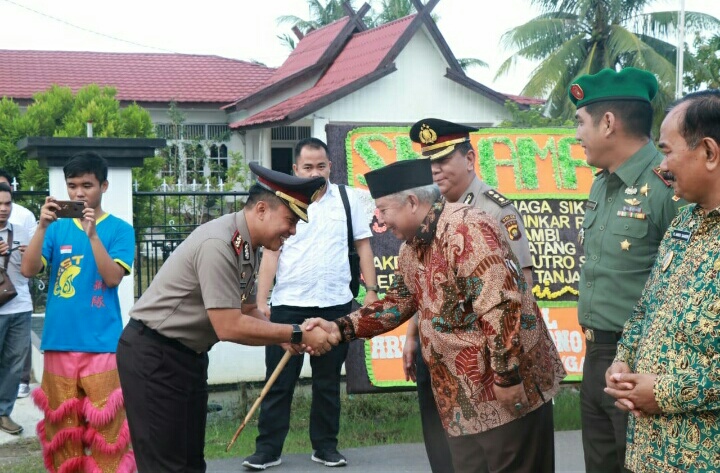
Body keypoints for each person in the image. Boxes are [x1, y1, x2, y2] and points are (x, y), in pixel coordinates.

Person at [308, 158, 566, 473]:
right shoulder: (412, 249)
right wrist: (338, 329)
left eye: (383, 210)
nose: (380, 220)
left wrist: (507, 376)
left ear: (413, 202)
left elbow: (500, 306)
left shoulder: (466, 228)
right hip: (462, 404)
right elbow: (396, 303)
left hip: (505, 393)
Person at [117, 163, 337, 473]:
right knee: (165, 465)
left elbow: (248, 311)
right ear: (262, 209)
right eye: (290, 221)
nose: (292, 231)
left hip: (186, 357)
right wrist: (298, 332)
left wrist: (289, 336)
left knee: (191, 461)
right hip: (155, 355)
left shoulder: (245, 245)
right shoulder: (220, 244)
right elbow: (229, 325)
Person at [570, 67, 686, 473]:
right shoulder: (602, 183)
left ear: (608, 123)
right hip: (597, 355)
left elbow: (689, 280)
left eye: (581, 122)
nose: (577, 134)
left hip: (641, 362)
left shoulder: (669, 185)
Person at [401, 117, 534, 473]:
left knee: (494, 459)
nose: (436, 169)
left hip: (484, 363)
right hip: (440, 358)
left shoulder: (494, 209)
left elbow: (520, 287)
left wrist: (504, 361)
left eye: (444, 159)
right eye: (430, 162)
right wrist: (412, 336)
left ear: (470, 158)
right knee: (445, 455)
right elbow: (424, 286)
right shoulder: (431, 213)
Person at [243, 138, 379, 470]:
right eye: (307, 167)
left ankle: (325, 446)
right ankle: (268, 449)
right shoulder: (283, 202)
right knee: (278, 380)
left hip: (335, 304)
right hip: (289, 304)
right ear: (296, 169)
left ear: (330, 166)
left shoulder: (347, 200)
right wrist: (262, 301)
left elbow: (363, 246)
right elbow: (272, 252)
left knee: (329, 382)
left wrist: (372, 291)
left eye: (320, 166)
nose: (315, 172)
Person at [604, 89, 720, 473]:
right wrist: (623, 360)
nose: (663, 166)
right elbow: (646, 308)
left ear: (709, 152)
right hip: (649, 453)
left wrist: (665, 392)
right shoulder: (684, 223)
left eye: (668, 151)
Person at [20, 152, 136, 472]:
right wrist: (42, 227)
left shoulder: (120, 230)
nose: (79, 193)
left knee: (107, 434)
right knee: (63, 434)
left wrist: (92, 235)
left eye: (87, 185)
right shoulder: (55, 230)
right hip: (59, 342)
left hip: (103, 345)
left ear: (104, 186)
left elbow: (112, 278)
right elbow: (29, 270)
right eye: (72, 186)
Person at [0, 169, 37, 400]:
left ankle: (4, 413)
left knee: (14, 365)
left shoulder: (22, 228)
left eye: (7, 203)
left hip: (20, 304)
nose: (4, 208)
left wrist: (30, 255)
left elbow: (35, 269)